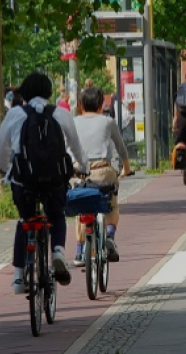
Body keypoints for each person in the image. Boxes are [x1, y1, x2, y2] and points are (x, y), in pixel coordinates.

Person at [0, 73, 90, 294]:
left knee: (25, 219)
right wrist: (84, 168)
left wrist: (6, 169)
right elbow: (76, 147)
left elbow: (1, 150)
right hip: (54, 180)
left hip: (24, 181)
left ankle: (19, 276)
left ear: (24, 93)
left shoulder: (15, 114)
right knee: (56, 215)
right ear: (49, 92)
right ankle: (57, 251)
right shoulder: (61, 114)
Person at [71, 86, 132, 266]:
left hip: (78, 172)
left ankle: (79, 250)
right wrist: (126, 168)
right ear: (100, 106)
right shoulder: (108, 122)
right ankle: (110, 236)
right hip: (103, 171)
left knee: (80, 204)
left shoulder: (73, 122)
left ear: (81, 106)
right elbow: (121, 148)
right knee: (111, 203)